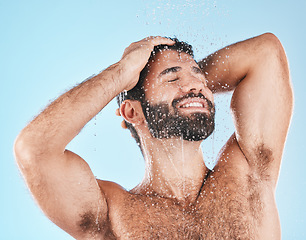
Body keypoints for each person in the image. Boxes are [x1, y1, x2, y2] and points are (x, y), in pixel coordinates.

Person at [14, 33, 293, 239]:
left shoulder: (248, 172)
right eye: (172, 78)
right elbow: (35, 149)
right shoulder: (113, 213)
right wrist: (123, 74)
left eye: (200, 77)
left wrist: (183, 88)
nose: (197, 85)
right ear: (132, 112)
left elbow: (265, 52)